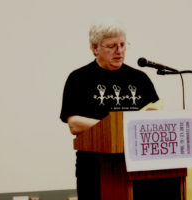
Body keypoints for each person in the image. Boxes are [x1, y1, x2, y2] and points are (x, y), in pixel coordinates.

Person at [60, 19, 159, 200]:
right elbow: (74, 124)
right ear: (95, 48)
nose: (119, 51)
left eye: (122, 45)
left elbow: (153, 114)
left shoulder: (140, 78)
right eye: (112, 46)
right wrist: (119, 127)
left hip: (138, 166)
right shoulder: (79, 79)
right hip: (95, 167)